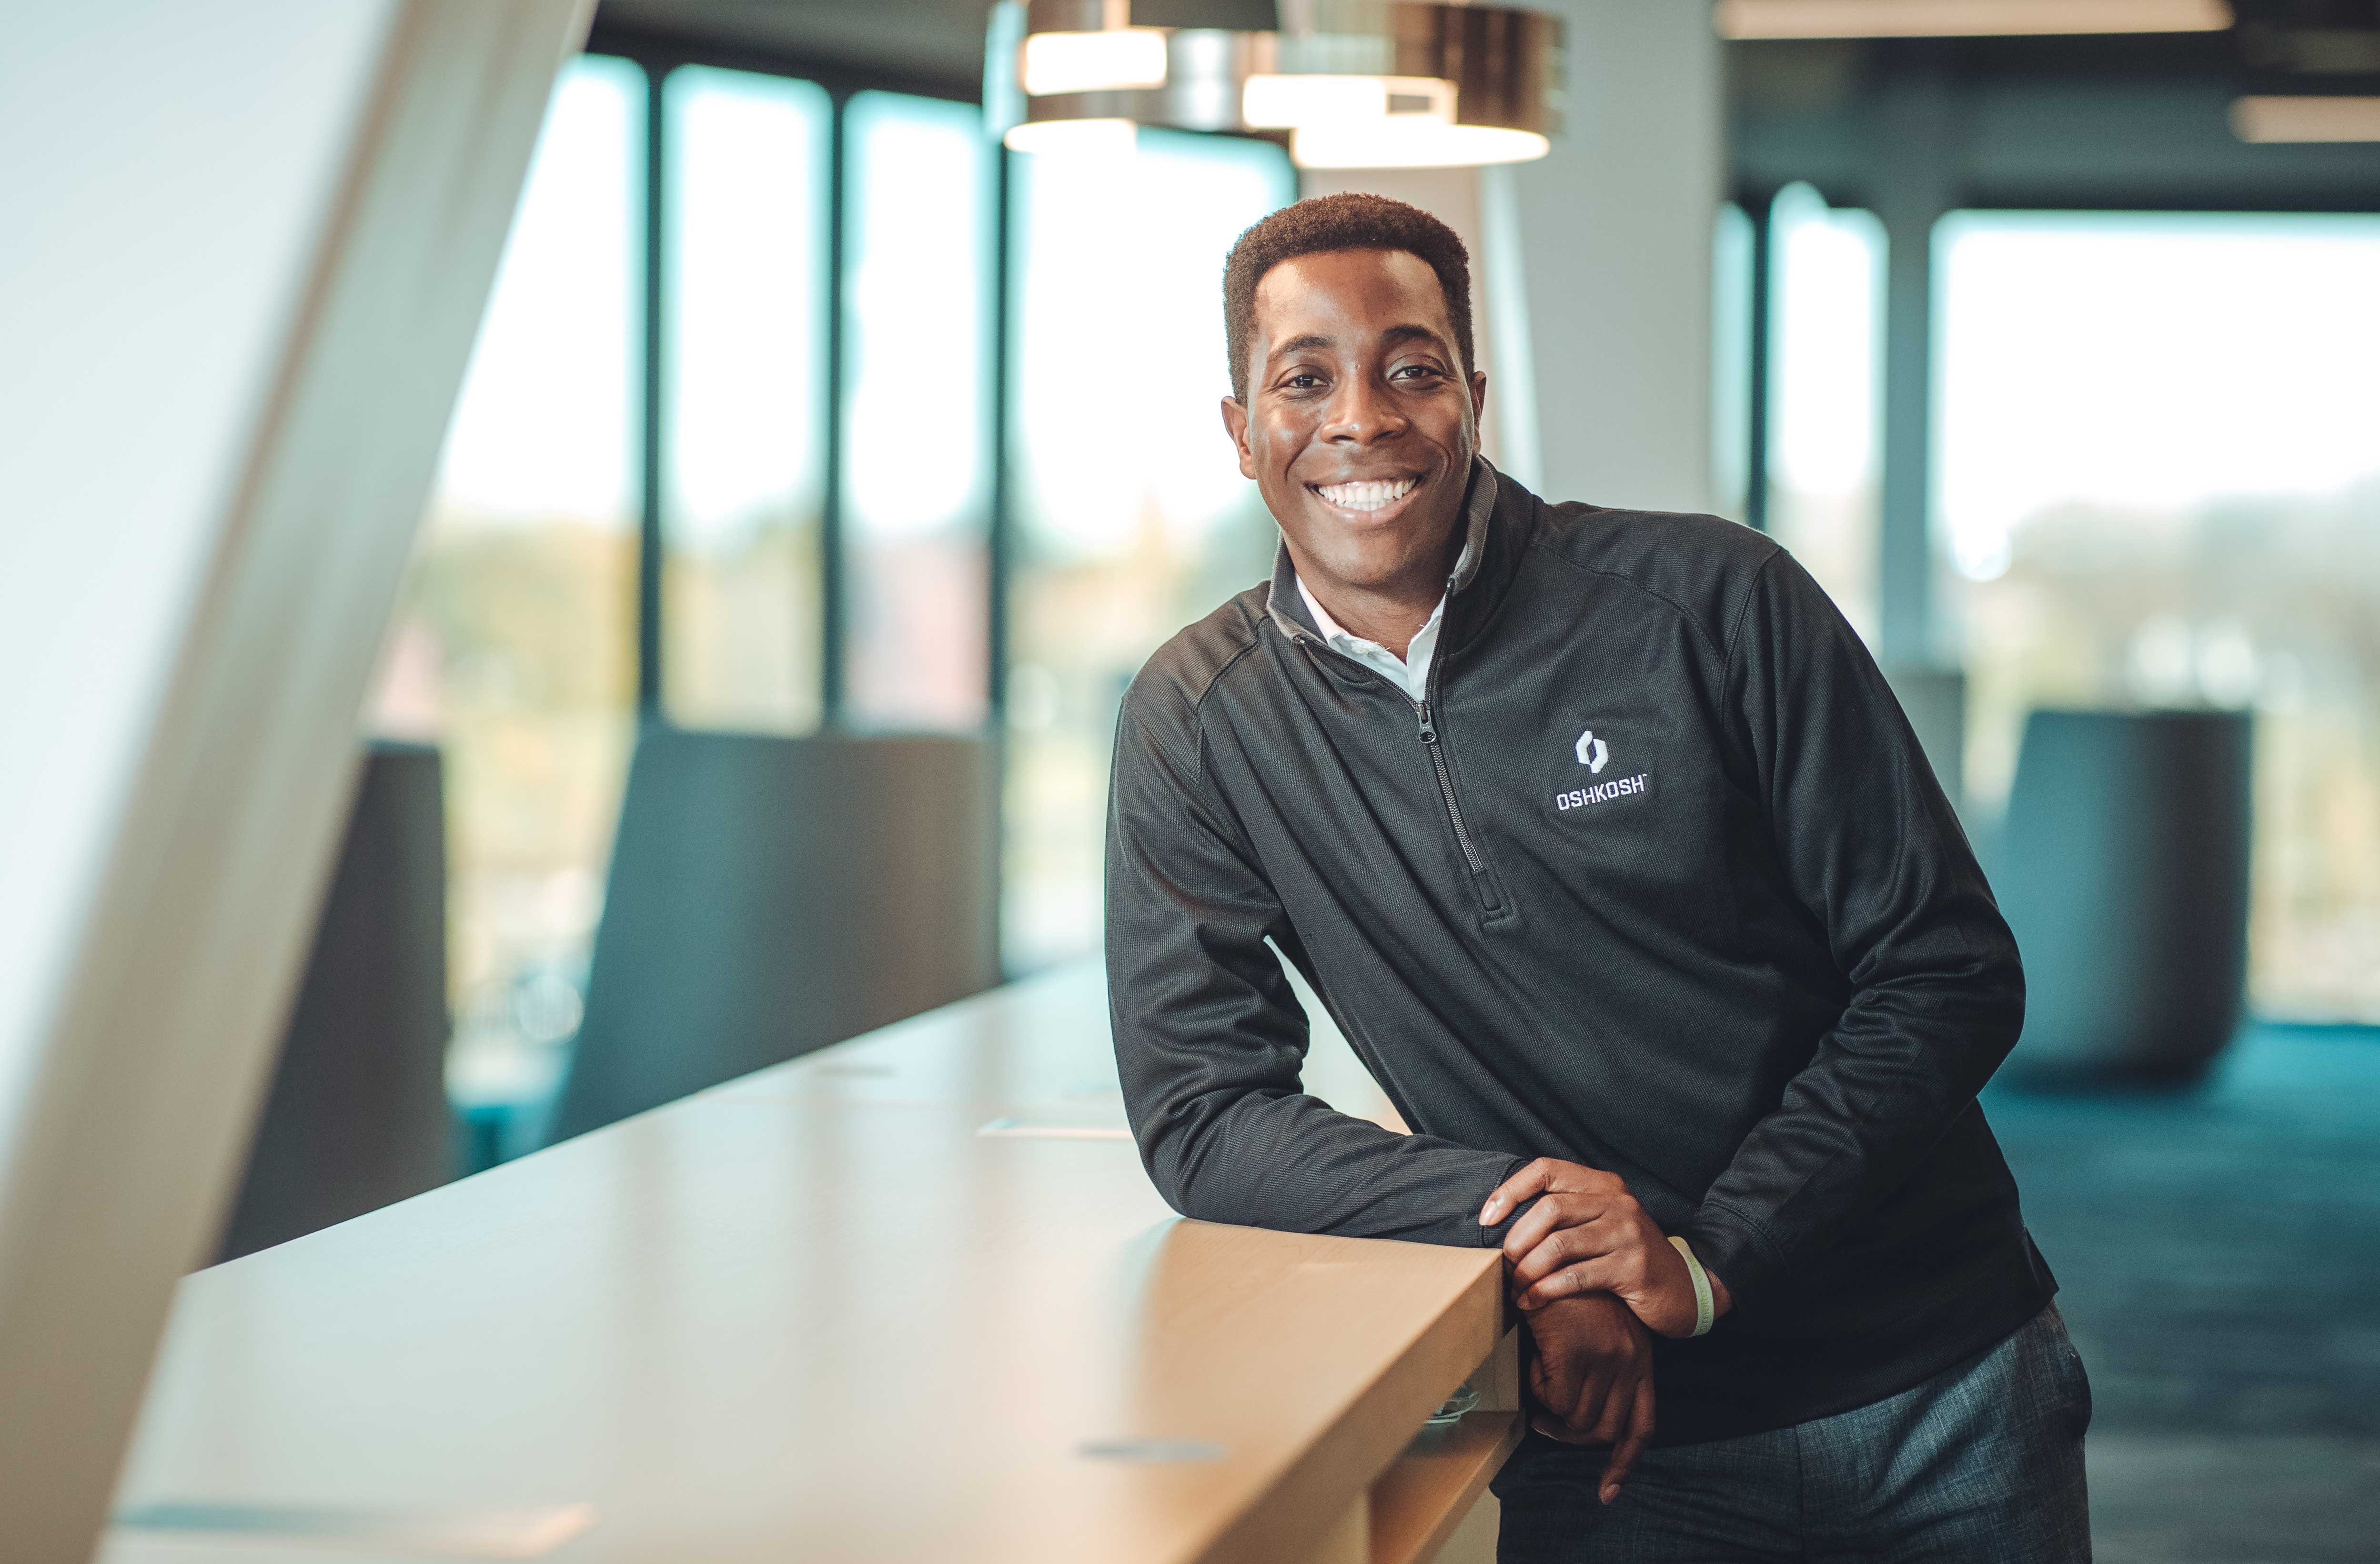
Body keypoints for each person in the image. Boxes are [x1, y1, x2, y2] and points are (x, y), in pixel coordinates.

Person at [1103, 193, 2090, 1562]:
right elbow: (1204, 1113)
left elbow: (1943, 968)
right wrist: (1531, 1224)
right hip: (1618, 1447)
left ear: (1472, 396)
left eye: (1411, 366)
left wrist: (1704, 1256)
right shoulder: (1200, 720)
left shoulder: (1713, 600)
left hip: (1935, 1383)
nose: (1362, 420)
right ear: (1239, 431)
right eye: (1305, 378)